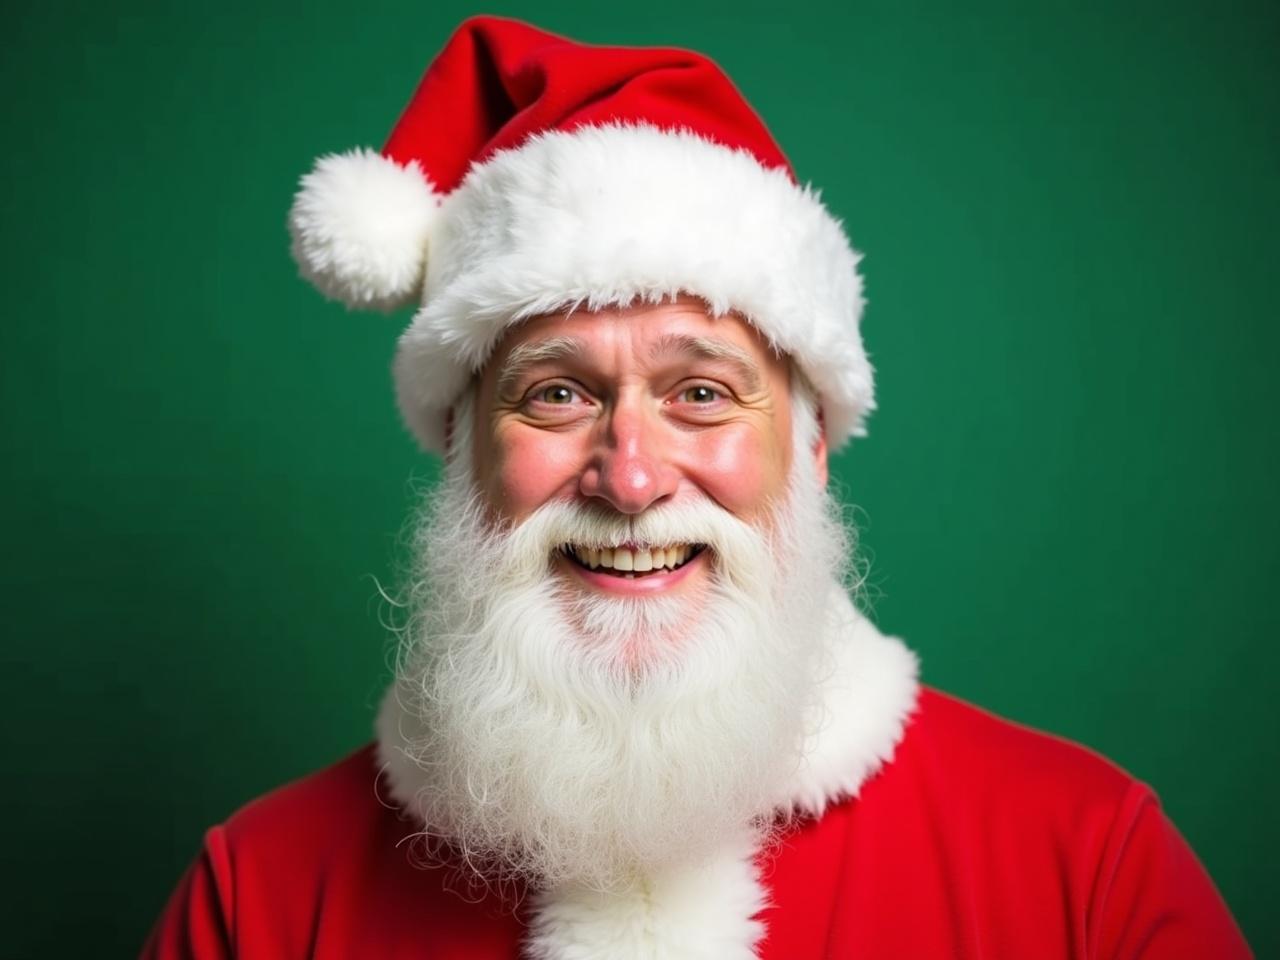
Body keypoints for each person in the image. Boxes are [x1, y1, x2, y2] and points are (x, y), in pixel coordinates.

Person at [142, 16, 1250, 959]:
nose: (629, 477)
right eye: (556, 395)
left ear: (809, 447)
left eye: (703, 395)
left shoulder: (1086, 864)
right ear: (460, 451)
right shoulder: (257, 897)